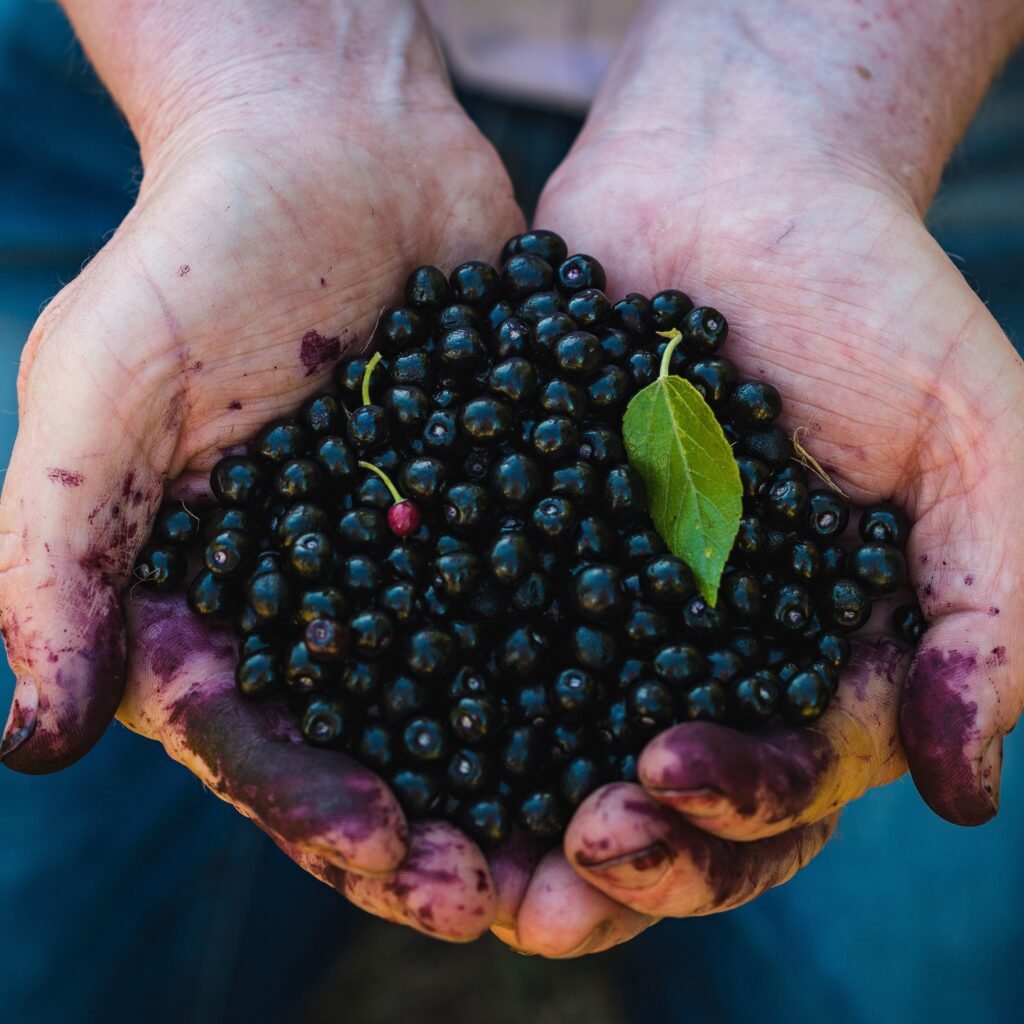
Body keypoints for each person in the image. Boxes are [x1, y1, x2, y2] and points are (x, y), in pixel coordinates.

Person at [2, 0, 1023, 1019]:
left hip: (882, 116)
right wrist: (264, 79)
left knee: (915, 982)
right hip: (166, 89)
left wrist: (803, 109)